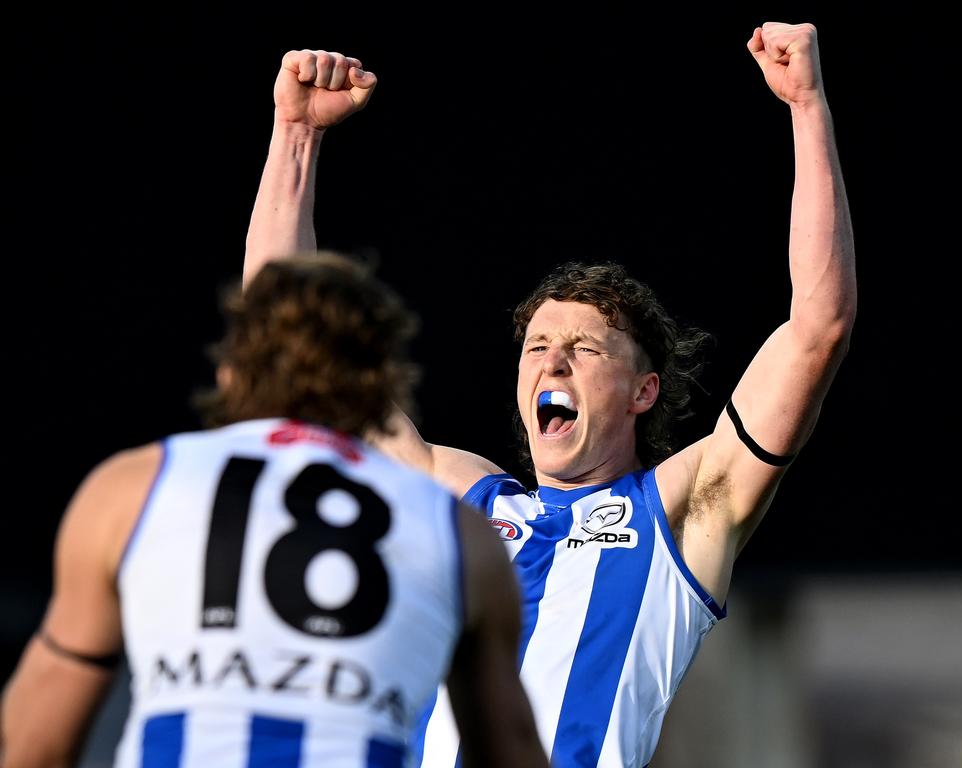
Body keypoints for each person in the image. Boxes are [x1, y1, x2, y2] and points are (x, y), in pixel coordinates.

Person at [243, 24, 856, 768]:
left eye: (583, 348)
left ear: (642, 391)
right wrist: (295, 134)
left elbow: (817, 328)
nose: (551, 362)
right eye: (537, 346)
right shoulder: (460, 498)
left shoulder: (682, 512)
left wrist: (806, 106)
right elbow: (290, 354)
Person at [0, 253, 547, 768]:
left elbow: (34, 742)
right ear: (383, 383)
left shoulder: (133, 487)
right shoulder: (458, 532)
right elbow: (510, 751)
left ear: (230, 371)